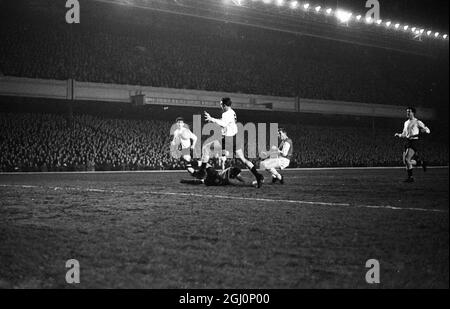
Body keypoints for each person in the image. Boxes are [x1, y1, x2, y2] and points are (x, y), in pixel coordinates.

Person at [198, 97, 264, 187]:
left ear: (224, 105)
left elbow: (224, 123)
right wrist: (213, 120)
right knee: (244, 160)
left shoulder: (226, 114)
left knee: (206, 148)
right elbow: (224, 123)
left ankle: (201, 172)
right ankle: (258, 176)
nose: (220, 106)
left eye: (221, 104)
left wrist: (212, 119)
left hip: (229, 139)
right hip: (236, 138)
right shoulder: (232, 112)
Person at [394, 107, 430, 183]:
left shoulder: (417, 121)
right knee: (405, 162)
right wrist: (399, 135)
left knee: (407, 159)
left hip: (414, 141)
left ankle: (411, 178)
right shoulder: (406, 122)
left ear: (413, 113)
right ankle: (421, 163)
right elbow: (404, 134)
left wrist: (425, 131)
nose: (407, 113)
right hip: (407, 141)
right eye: (407, 111)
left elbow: (427, 130)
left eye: (409, 111)